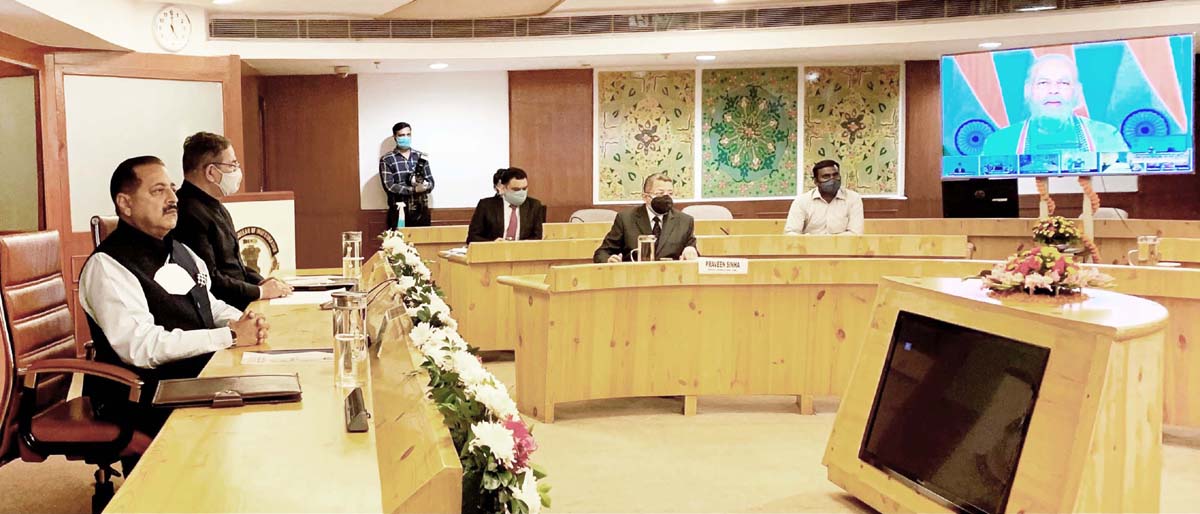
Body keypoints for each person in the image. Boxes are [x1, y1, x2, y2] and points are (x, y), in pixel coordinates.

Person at [80, 156, 269, 437]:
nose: (173, 198)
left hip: (194, 379)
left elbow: (209, 305)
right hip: (142, 396)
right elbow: (141, 347)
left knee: (272, 392)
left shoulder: (180, 251)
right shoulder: (108, 266)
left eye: (172, 188)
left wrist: (244, 320)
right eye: (158, 191)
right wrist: (229, 336)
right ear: (125, 203)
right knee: (258, 418)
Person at [172, 132, 292, 310]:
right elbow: (209, 278)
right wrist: (260, 291)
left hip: (241, 301)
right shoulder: (188, 212)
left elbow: (234, 266)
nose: (237, 171)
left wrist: (263, 281)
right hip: (223, 309)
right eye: (232, 165)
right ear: (211, 172)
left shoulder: (215, 206)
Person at [981, 54, 1129, 155]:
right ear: (1027, 90)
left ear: (1077, 92)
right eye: (1043, 83)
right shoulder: (999, 142)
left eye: (1063, 83)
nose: (1053, 91)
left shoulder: (1107, 136)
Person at [594, 173, 698, 263]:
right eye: (660, 193)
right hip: (635, 279)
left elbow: (693, 253)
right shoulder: (625, 219)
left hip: (671, 280)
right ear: (645, 197)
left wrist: (691, 250)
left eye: (670, 193)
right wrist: (609, 259)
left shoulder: (685, 221)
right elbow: (602, 253)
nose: (666, 198)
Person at [466, 167, 547, 243]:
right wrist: (492, 243)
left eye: (524, 188)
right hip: (493, 253)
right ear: (503, 188)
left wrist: (524, 244)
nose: (521, 192)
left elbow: (537, 236)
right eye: (516, 189)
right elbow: (472, 237)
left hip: (523, 253)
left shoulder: (534, 206)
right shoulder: (486, 206)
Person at [784, 160, 864, 235]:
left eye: (835, 175)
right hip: (810, 248)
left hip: (843, 248)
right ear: (816, 181)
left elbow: (855, 233)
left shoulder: (853, 198)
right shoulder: (802, 201)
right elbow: (791, 233)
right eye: (826, 176)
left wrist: (830, 242)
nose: (832, 180)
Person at [379, 122, 434, 227]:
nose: (405, 137)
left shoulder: (420, 157)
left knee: (423, 242)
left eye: (408, 134)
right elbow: (389, 186)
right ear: (395, 137)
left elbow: (431, 181)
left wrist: (425, 186)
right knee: (397, 243)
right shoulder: (387, 159)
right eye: (401, 135)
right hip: (399, 211)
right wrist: (413, 190)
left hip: (421, 210)